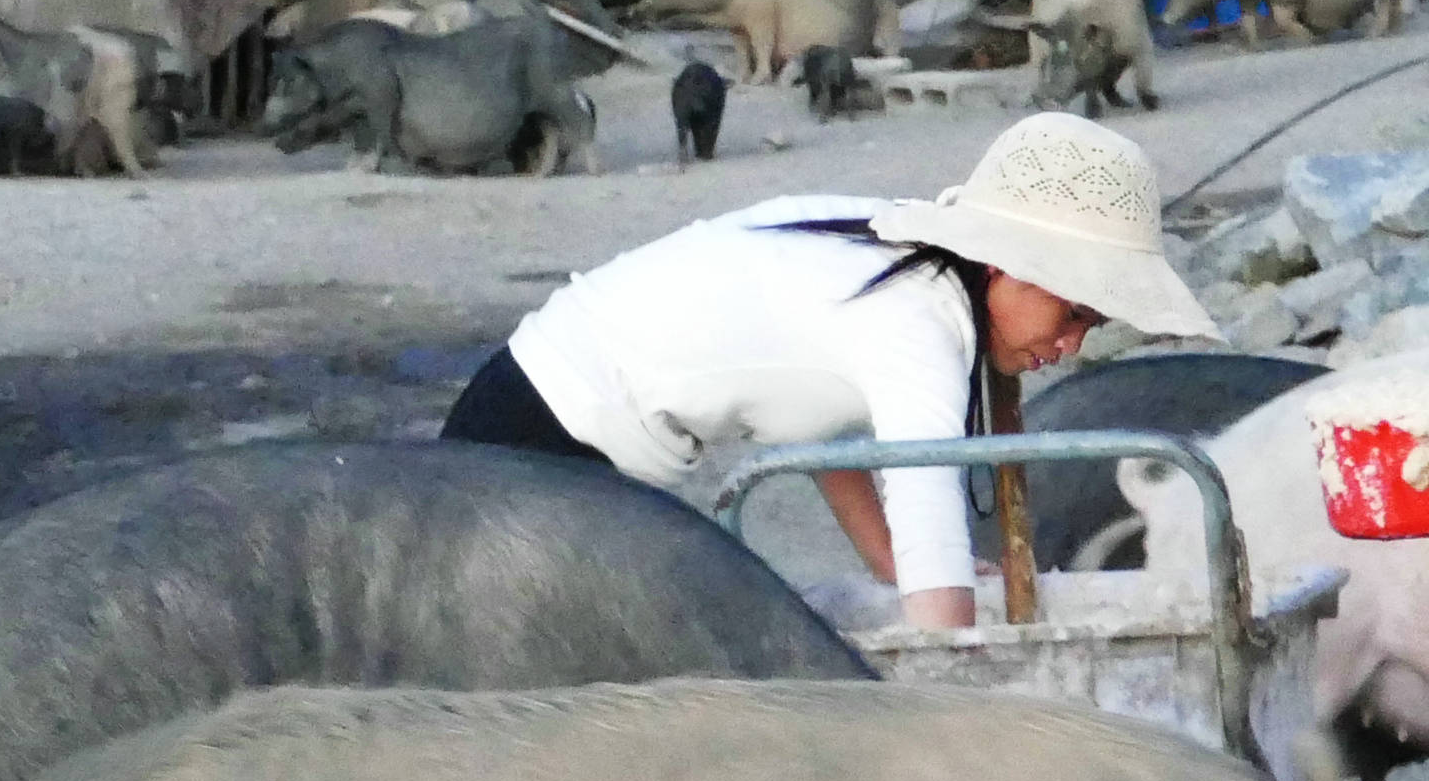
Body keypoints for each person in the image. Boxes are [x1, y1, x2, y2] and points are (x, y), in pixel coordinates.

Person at [442, 111, 1222, 627]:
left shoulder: (896, 258)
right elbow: (929, 531)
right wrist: (961, 694)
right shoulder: (919, 323)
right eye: (1072, 314)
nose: (1072, 347)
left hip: (533, 414)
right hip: (536, 451)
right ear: (1008, 269)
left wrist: (889, 567)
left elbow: (831, 434)